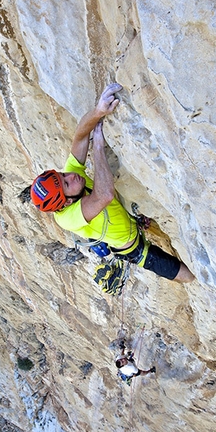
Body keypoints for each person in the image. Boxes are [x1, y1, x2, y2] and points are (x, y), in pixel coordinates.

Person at [30, 83, 194, 284]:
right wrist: (98, 148)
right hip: (132, 248)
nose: (71, 176)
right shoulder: (67, 218)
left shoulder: (70, 182)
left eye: (63, 175)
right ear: (65, 203)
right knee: (186, 276)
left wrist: (98, 112)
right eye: (66, 184)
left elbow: (80, 136)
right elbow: (104, 195)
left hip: (132, 221)